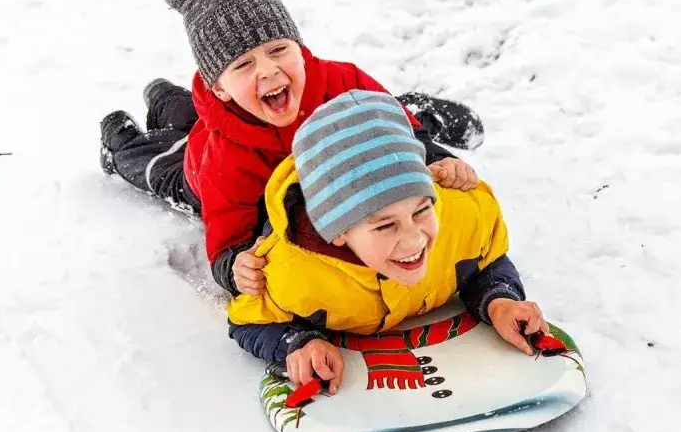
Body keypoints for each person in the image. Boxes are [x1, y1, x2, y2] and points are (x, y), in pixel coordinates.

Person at [99, 0, 483, 297]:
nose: (267, 70)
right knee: (165, 160)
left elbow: (398, 134)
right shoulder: (224, 156)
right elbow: (226, 241)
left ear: (299, 48)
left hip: (273, 131)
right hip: (195, 168)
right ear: (219, 87)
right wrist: (235, 267)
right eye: (244, 64)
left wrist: (434, 159)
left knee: (190, 113)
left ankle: (163, 95)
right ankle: (122, 140)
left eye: (278, 49)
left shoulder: (343, 82)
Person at [227, 90, 547, 393]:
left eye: (422, 210)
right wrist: (297, 343)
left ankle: (417, 113)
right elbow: (247, 321)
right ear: (337, 233)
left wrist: (499, 301)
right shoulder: (292, 274)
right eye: (385, 227)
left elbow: (483, 258)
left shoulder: (460, 214)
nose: (413, 240)